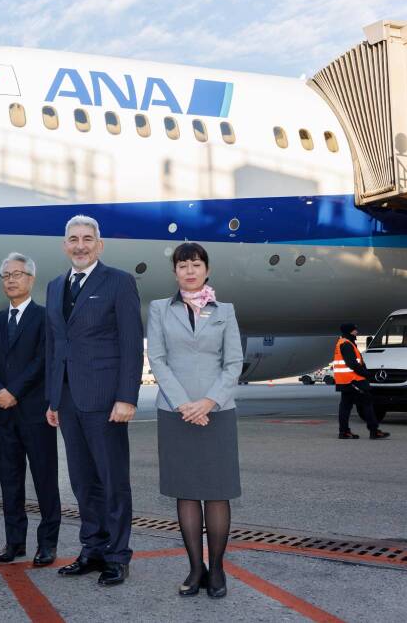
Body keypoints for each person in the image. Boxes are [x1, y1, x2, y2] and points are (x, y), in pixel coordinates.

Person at [45, 215, 142, 587]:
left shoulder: (118, 282)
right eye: (73, 239)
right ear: (64, 245)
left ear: (99, 245)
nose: (80, 245)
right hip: (68, 400)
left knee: (112, 480)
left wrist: (126, 397)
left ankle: (117, 556)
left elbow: (132, 343)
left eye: (88, 239)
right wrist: (53, 399)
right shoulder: (55, 286)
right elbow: (55, 346)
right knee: (83, 482)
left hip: (106, 400)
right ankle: (93, 548)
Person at [147, 242, 243, 599]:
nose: (189, 270)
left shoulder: (225, 311)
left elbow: (233, 363)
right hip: (175, 412)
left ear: (207, 269)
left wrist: (208, 402)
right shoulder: (159, 309)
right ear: (175, 272)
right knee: (185, 492)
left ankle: (216, 568)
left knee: (217, 493)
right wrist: (185, 404)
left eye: (196, 264)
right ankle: (194, 567)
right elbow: (157, 359)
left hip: (217, 411)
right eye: (183, 265)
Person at [0, 253, 60, 567]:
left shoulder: (44, 317)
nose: (11, 280)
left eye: (18, 274)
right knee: (10, 481)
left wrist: (14, 390)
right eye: (6, 275)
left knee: (44, 480)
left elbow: (43, 360)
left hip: (36, 413)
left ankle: (47, 544)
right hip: (4, 414)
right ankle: (15, 542)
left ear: (31, 279)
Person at [334, 323, 390, 440]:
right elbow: (352, 363)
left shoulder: (342, 342)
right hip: (354, 380)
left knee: (345, 406)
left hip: (345, 381)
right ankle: (374, 431)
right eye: (355, 330)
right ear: (350, 331)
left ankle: (344, 432)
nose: (357, 332)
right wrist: (366, 374)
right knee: (367, 404)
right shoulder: (347, 344)